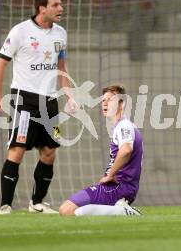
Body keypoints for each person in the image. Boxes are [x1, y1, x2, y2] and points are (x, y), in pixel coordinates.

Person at [0, 0, 78, 214]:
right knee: (17, 150)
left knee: (49, 152)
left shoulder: (60, 34)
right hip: (24, 99)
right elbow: (1, 64)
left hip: (49, 101)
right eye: (56, 5)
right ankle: (5, 205)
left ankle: (37, 202)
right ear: (42, 8)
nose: (61, 8)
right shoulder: (20, 31)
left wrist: (69, 94)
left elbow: (61, 67)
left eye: (61, 4)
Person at [59, 85, 143, 216]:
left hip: (118, 188)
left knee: (66, 210)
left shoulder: (124, 125)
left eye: (110, 100)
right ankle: (119, 209)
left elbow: (126, 150)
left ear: (122, 104)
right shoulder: (124, 126)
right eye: (103, 100)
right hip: (122, 188)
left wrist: (110, 175)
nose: (105, 103)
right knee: (73, 211)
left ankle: (122, 210)